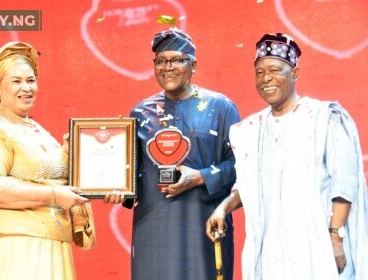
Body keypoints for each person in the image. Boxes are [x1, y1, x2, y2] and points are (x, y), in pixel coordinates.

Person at [206, 33, 368, 280]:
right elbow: (247, 185)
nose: (266, 78)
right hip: (271, 249)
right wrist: (223, 208)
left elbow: (344, 183)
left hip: (317, 247)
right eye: (259, 72)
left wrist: (336, 236)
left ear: (295, 73)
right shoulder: (250, 129)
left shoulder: (324, 118)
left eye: (275, 70)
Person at [104, 28, 240, 279]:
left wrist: (200, 177)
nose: (167, 67)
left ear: (194, 64)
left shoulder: (220, 107)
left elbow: (240, 166)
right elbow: (130, 174)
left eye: (177, 60)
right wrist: (115, 187)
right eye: (160, 61)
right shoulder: (141, 113)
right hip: (153, 229)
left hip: (204, 225)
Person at [0, 41, 91, 279]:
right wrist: (53, 195)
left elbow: (48, 174)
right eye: (16, 81)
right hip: (16, 243)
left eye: (31, 80)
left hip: (49, 237)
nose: (26, 88)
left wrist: (71, 154)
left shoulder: (35, 129)